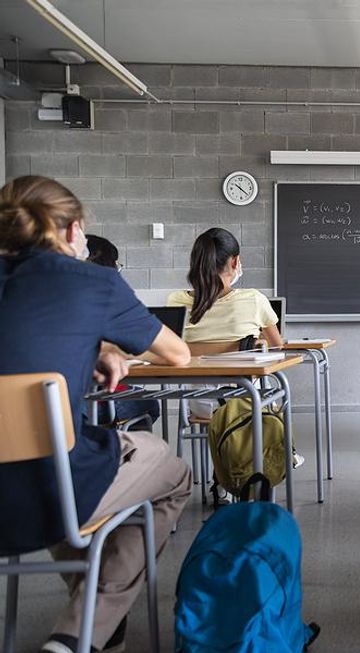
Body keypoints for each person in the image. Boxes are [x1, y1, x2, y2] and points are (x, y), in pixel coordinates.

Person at [0, 175, 192, 653]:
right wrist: (105, 341)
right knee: (169, 472)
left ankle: (95, 623)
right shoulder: (92, 282)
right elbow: (178, 355)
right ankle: (80, 633)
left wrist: (96, 344)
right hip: (47, 492)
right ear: (71, 231)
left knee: (76, 475)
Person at [167, 227, 300, 467]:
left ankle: (221, 471)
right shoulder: (253, 299)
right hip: (246, 400)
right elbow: (278, 347)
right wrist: (253, 342)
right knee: (275, 389)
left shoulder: (176, 301)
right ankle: (277, 455)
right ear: (235, 261)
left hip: (198, 403)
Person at [85, 233, 161, 431]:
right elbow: (176, 352)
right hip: (94, 399)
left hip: (47, 403)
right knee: (150, 403)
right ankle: (123, 456)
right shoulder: (110, 301)